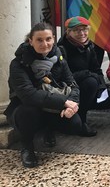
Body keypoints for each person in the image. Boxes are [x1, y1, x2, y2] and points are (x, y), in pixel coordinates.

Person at [4, 23, 84, 168]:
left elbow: (73, 85)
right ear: (30, 41)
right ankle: (27, 146)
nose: (44, 44)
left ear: (53, 39)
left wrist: (72, 103)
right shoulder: (18, 63)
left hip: (52, 106)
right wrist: (63, 102)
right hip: (26, 107)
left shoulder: (59, 58)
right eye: (39, 40)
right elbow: (28, 94)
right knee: (28, 112)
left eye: (48, 39)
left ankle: (49, 129)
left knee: (75, 124)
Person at [57, 16, 110, 137]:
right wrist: (88, 74)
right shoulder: (62, 49)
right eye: (77, 30)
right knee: (91, 82)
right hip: (69, 87)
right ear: (68, 32)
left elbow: (96, 69)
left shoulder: (89, 46)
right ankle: (81, 120)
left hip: (86, 85)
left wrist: (101, 87)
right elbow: (63, 76)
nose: (82, 33)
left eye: (84, 30)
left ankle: (77, 111)